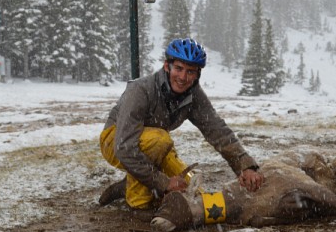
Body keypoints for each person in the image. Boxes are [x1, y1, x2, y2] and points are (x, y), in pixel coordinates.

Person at [99, 38, 264, 210]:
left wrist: (245, 167)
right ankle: (138, 206)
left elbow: (217, 131)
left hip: (153, 147)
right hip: (115, 141)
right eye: (178, 68)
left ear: (198, 74)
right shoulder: (140, 90)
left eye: (190, 71)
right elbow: (124, 147)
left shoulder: (194, 95)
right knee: (160, 140)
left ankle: (125, 186)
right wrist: (163, 182)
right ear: (167, 66)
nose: (183, 77)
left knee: (192, 190)